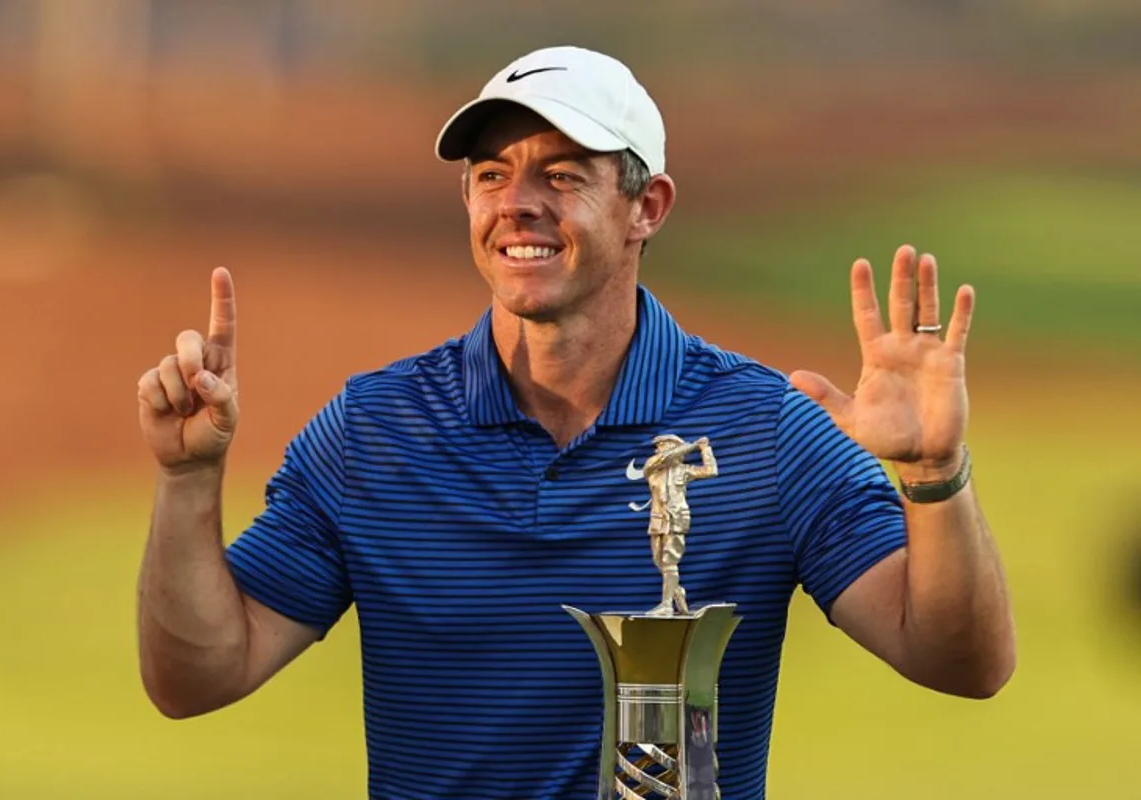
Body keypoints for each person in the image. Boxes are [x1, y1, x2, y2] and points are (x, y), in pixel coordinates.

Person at [135, 45, 1015, 800]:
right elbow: (198, 677)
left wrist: (935, 477)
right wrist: (185, 483)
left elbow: (961, 664)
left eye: (562, 175)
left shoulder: (766, 431)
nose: (517, 203)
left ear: (648, 207)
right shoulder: (374, 434)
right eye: (491, 176)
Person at [638, 433, 718, 616]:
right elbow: (664, 458)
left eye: (662, 445)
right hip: (658, 518)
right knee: (659, 562)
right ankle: (677, 593)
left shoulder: (684, 470)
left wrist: (705, 449)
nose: (658, 449)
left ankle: (666, 605)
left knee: (669, 562)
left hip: (676, 517)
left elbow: (711, 471)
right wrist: (692, 446)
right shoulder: (652, 468)